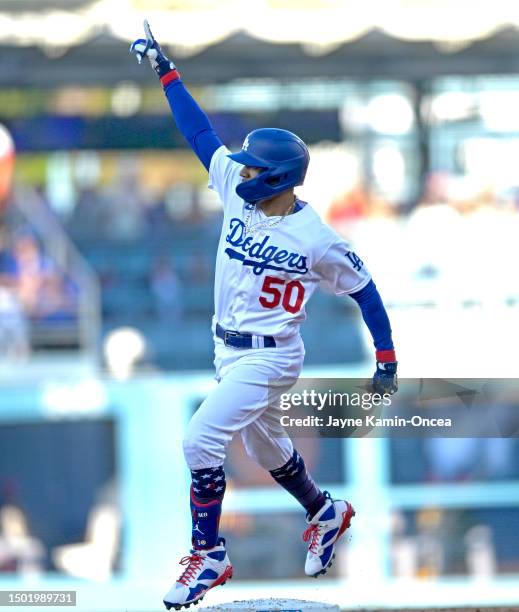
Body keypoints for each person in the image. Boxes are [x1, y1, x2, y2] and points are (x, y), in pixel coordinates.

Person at [131, 22, 398, 611]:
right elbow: (198, 131)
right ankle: (324, 511)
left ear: (277, 177)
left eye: (253, 168)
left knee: (200, 440)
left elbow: (366, 289)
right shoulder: (232, 184)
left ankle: (209, 555)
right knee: (265, 446)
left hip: (271, 353)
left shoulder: (316, 236)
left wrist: (386, 358)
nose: (241, 170)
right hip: (228, 349)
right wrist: (166, 71)